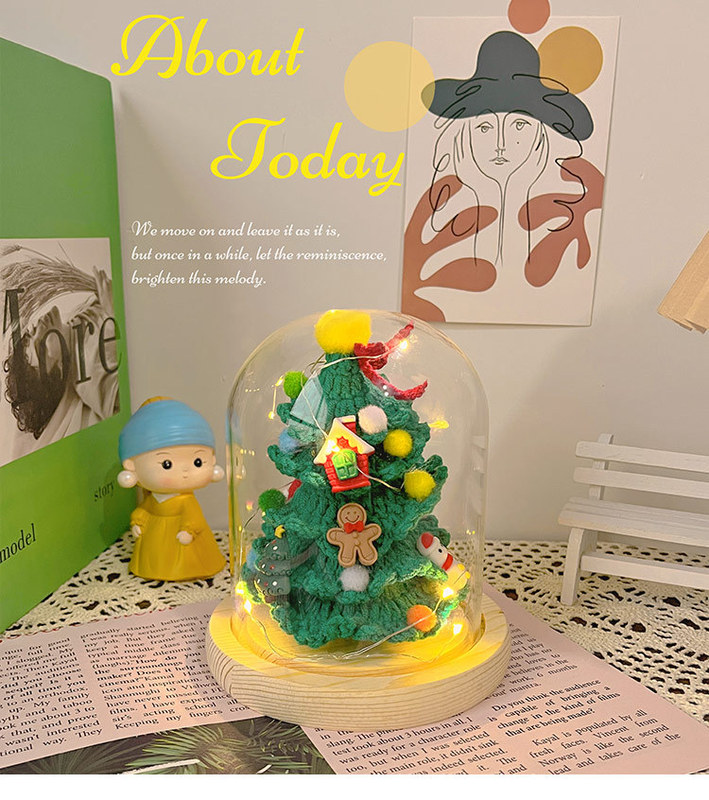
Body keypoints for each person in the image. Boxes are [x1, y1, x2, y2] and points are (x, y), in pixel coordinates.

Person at [424, 30, 593, 268]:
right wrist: (483, 192)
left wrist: (519, 189)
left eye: (519, 125)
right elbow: (479, 274)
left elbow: (520, 273)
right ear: (465, 135)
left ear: (540, 133)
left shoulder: (563, 208)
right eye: (485, 127)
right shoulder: (444, 210)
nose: (501, 144)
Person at [118, 397, 226, 581]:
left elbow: (193, 518)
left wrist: (188, 532)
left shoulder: (185, 501)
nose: (185, 471)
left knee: (186, 560)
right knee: (154, 560)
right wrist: (138, 522)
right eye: (167, 464)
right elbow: (145, 509)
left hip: (182, 545)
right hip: (155, 545)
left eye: (197, 462)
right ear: (131, 465)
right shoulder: (153, 498)